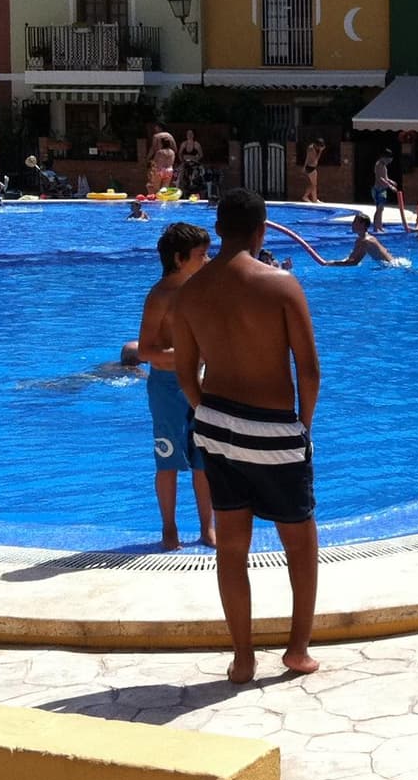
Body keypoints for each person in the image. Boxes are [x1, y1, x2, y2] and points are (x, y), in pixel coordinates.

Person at [170, 189, 321, 683]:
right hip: (274, 428)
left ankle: (243, 658)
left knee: (232, 546)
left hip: (215, 425)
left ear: (218, 229)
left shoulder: (189, 292)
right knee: (299, 542)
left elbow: (186, 373)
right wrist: (303, 427)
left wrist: (204, 414)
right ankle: (296, 651)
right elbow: (309, 369)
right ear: (262, 230)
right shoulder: (281, 286)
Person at [137, 222, 216, 550]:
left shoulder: (203, 290)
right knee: (168, 460)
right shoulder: (160, 296)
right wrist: (188, 356)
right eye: (202, 254)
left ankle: (206, 527)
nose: (209, 259)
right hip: (168, 388)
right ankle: (169, 527)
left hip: (202, 385)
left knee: (204, 461)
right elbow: (145, 351)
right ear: (180, 259)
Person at [331, 212, 396, 267]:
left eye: (355, 222)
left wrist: (330, 264)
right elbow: (351, 258)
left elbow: (354, 262)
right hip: (392, 264)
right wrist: (335, 262)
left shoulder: (365, 241)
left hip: (391, 266)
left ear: (363, 225)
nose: (352, 224)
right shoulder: (361, 239)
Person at [370, 150, 403, 232]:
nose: (389, 162)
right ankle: (376, 227)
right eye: (388, 160)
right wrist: (390, 186)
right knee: (379, 209)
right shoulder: (379, 165)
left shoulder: (383, 165)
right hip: (378, 189)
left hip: (382, 189)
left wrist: (391, 181)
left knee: (380, 209)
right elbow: (380, 178)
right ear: (384, 158)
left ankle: (379, 227)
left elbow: (385, 178)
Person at [148, 126, 178, 196]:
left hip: (160, 170)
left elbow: (155, 161)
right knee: (164, 189)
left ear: (161, 143)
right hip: (169, 170)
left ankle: (156, 204)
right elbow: (172, 161)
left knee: (156, 189)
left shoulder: (160, 152)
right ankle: (163, 204)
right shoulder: (172, 152)